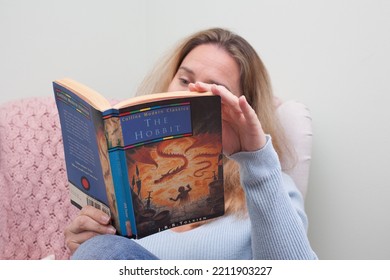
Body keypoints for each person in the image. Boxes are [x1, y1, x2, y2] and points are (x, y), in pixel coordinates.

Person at [65, 27, 317, 260]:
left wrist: (255, 159)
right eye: (185, 80)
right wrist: (85, 243)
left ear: (241, 109)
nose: (188, 95)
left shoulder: (272, 187)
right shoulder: (128, 190)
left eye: (213, 90)